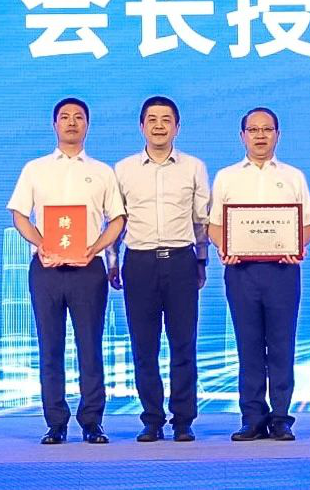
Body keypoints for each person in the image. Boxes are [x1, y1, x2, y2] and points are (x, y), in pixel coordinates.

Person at [7, 97, 126, 445]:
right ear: (54, 124)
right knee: (50, 347)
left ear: (87, 125)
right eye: (65, 117)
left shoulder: (102, 171)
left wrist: (96, 248)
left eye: (78, 117)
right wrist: (41, 244)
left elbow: (117, 219)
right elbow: (18, 214)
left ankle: (92, 422)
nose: (72, 122)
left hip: (88, 269)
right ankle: (56, 423)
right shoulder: (35, 169)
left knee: (90, 347)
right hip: (46, 269)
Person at [207, 107, 310, 442]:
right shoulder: (226, 177)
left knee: (282, 345)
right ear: (242, 136)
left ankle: (281, 418)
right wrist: (225, 247)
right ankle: (252, 418)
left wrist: (296, 246)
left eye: (266, 129)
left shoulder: (293, 176)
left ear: (277, 135)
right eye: (253, 130)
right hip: (241, 272)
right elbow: (214, 225)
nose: (260, 135)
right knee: (249, 346)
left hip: (283, 271)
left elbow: (308, 223)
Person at [108, 96, 210, 442]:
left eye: (166, 119)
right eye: (152, 119)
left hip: (181, 260)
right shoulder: (123, 169)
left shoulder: (194, 167)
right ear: (141, 126)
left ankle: (183, 420)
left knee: (184, 344)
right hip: (139, 262)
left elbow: (200, 220)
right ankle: (151, 419)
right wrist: (112, 262)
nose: (159, 126)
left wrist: (201, 260)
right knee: (144, 347)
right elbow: (116, 221)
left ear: (177, 127)